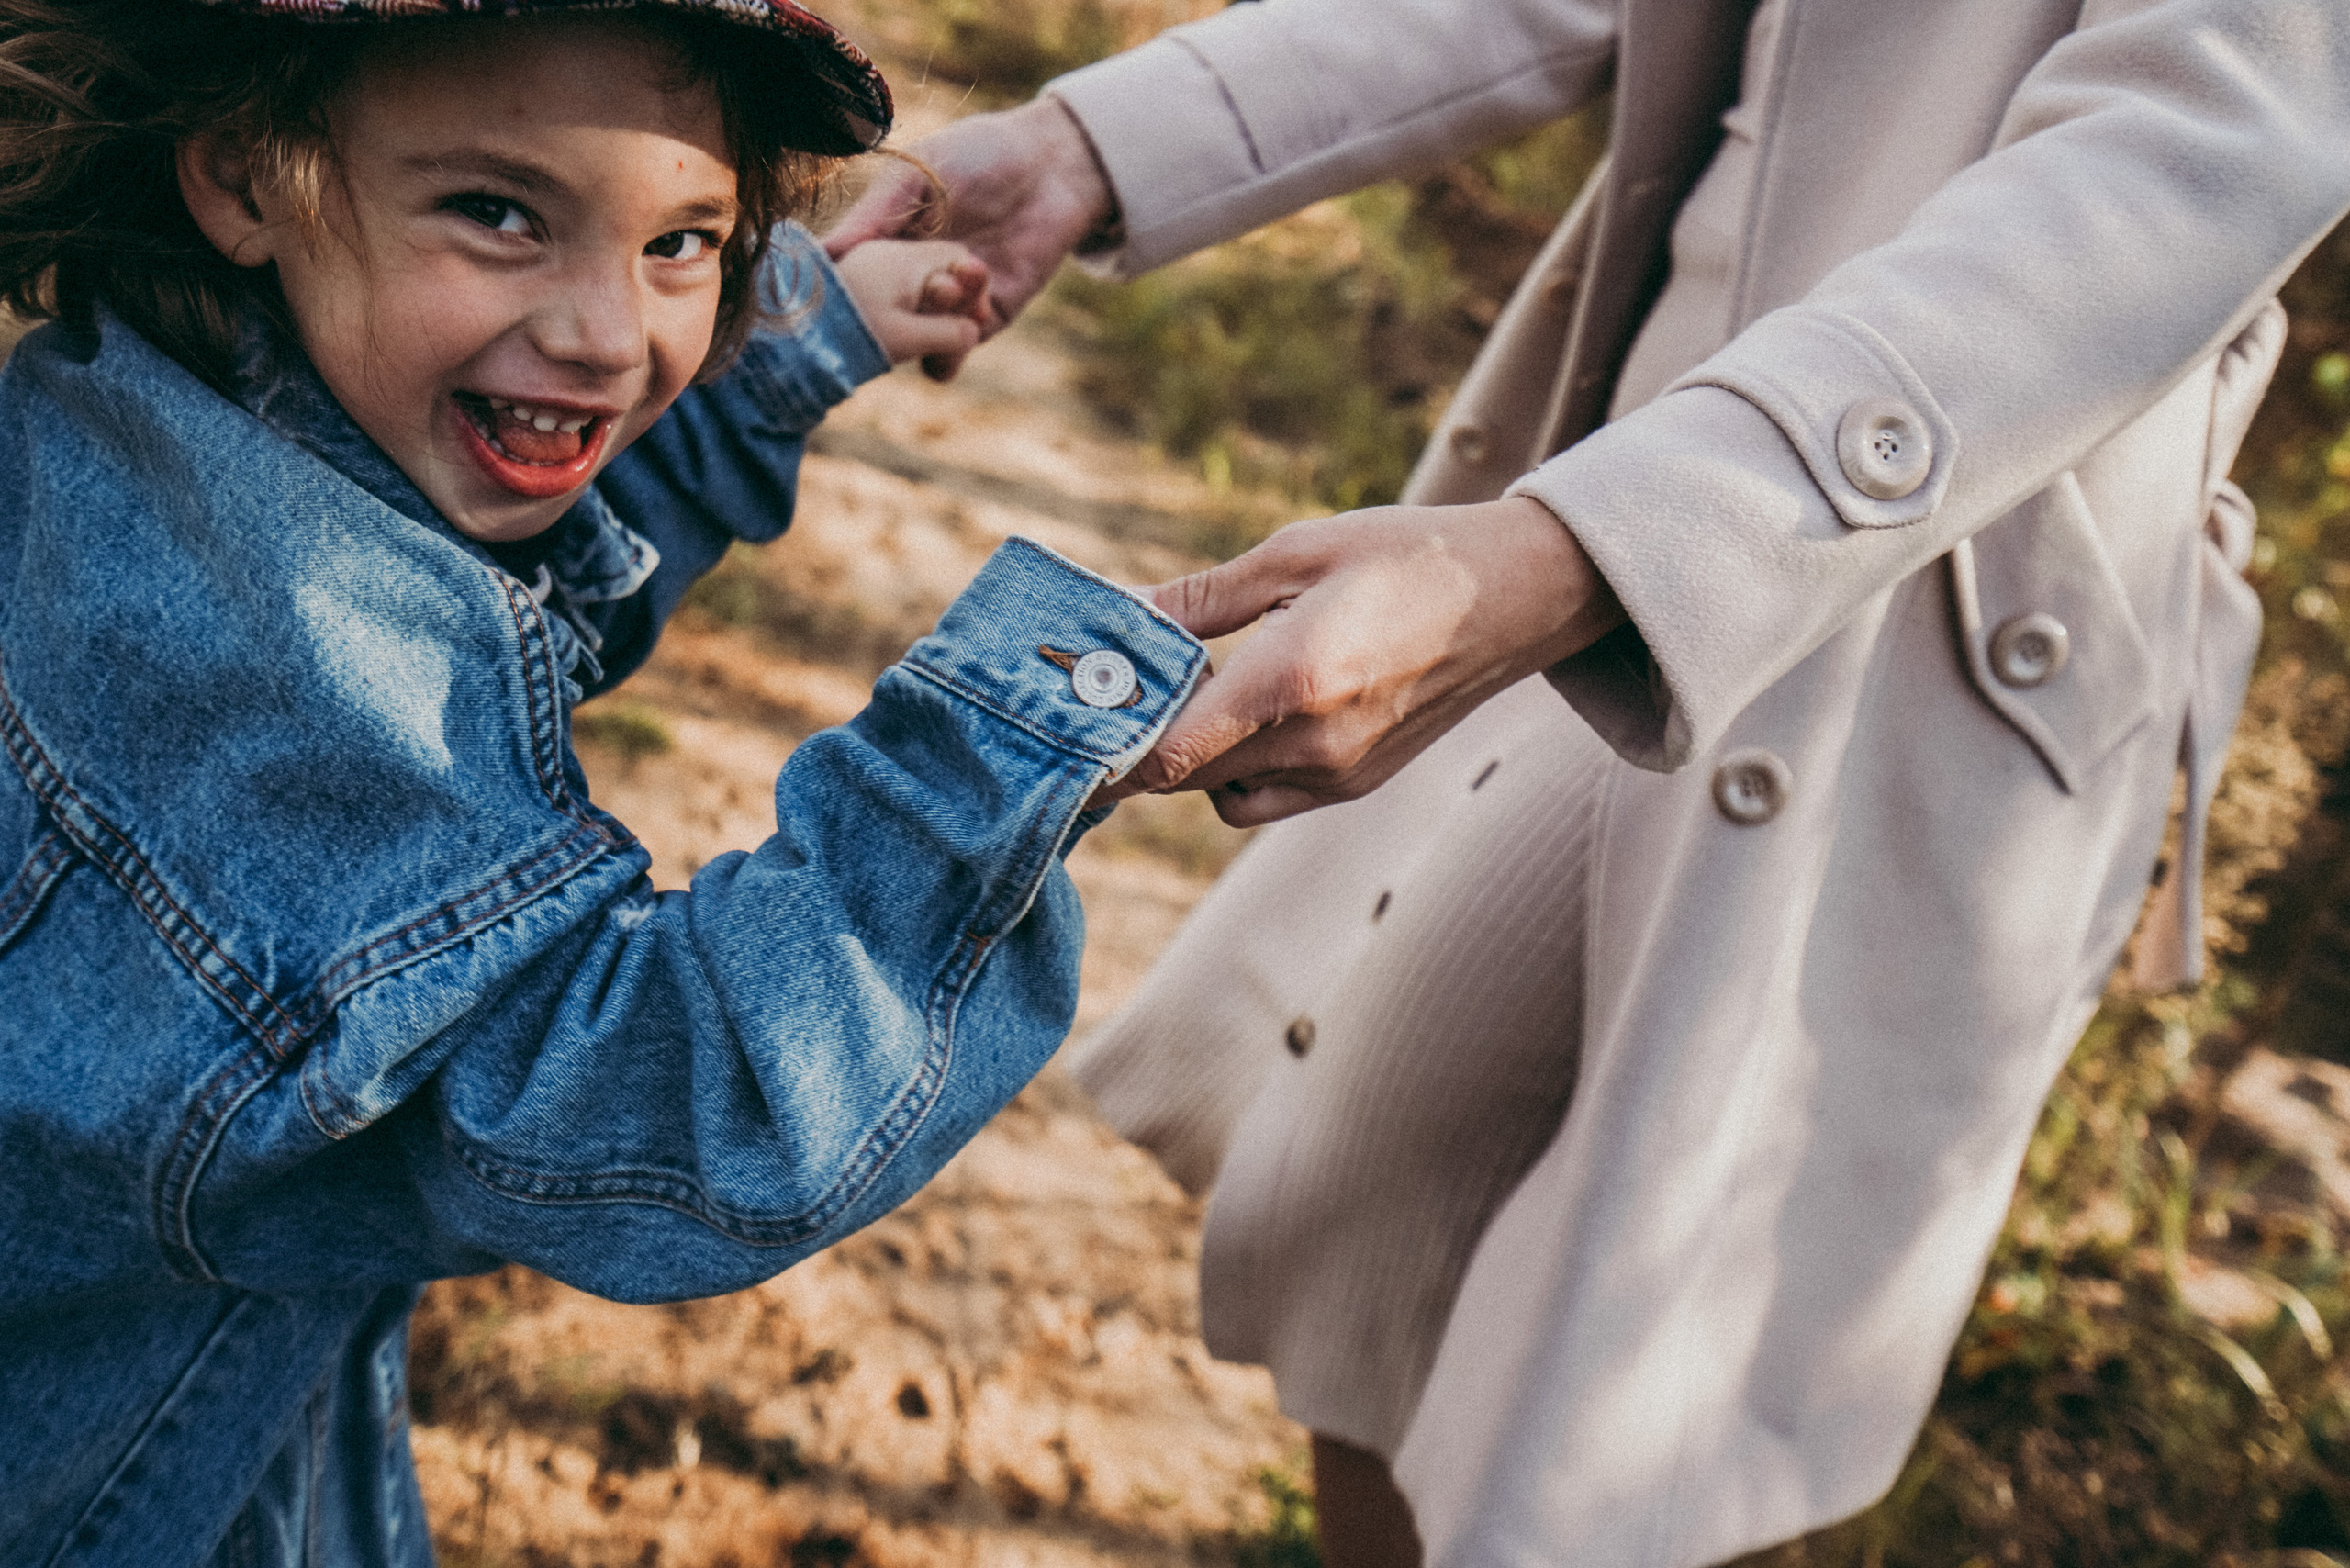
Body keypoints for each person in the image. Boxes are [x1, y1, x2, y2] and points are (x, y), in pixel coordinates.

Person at [829, 1, 2350, 1562]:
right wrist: (1104, 140)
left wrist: (1565, 563)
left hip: (1929, 583)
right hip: (1629, 489)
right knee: (1358, 1195)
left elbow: (2211, 136)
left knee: (1650, 1399)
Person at [0, 4, 1210, 1564]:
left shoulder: (181, 420)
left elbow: (492, 612)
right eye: (500, 213)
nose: (607, 336)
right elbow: (684, 1104)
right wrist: (1042, 726)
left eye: (684, 242)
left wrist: (793, 350)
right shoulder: (246, 671)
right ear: (246, 173)